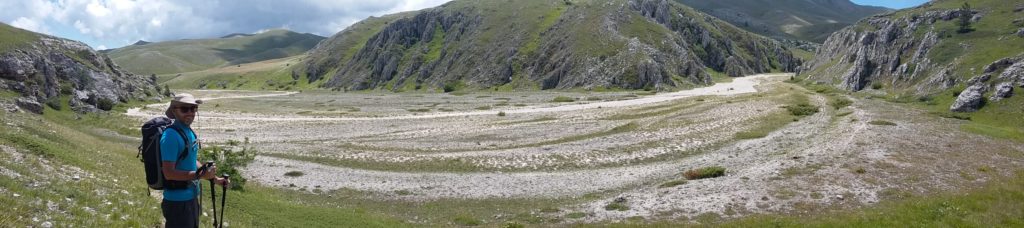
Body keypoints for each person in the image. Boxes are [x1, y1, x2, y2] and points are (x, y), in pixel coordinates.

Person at [160, 93, 229, 228]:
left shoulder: (188, 131)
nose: (190, 113)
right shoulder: (170, 136)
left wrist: (215, 179)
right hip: (177, 202)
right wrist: (201, 174)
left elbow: (191, 160)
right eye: (185, 109)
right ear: (174, 110)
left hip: (191, 197)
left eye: (193, 109)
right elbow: (168, 173)